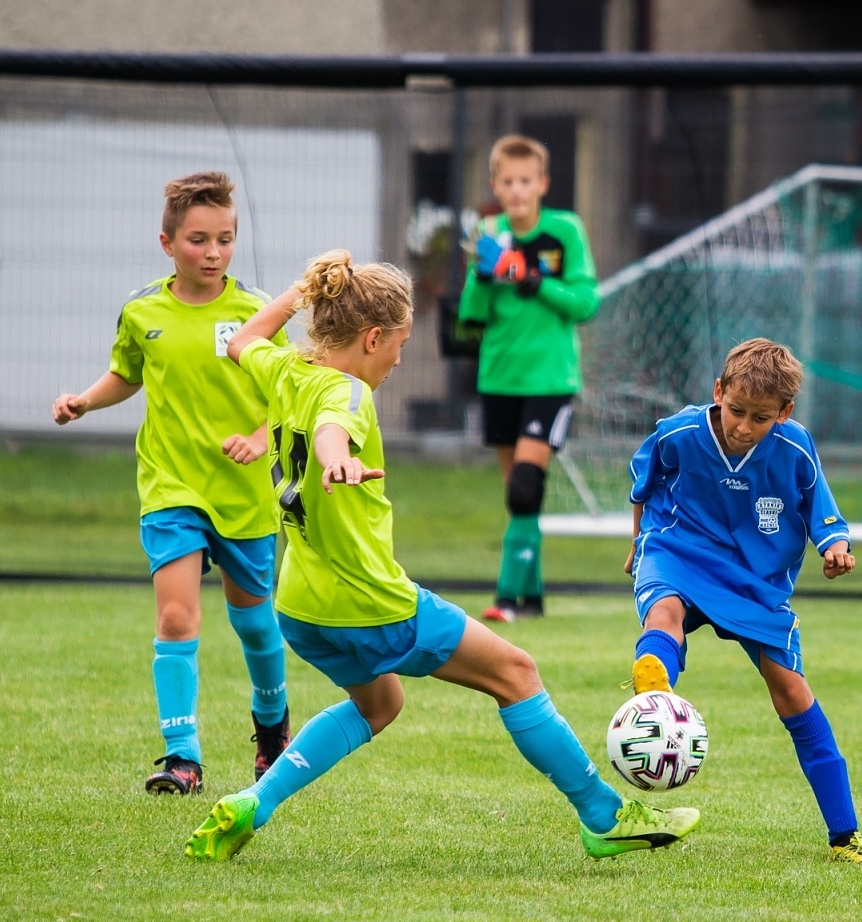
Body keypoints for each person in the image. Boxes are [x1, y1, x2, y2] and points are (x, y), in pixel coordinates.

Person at [184, 250, 698, 863]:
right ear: (372, 338)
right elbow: (331, 430)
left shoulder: (288, 369)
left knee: (380, 704)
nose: (399, 359)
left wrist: (303, 290)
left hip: (299, 607)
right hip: (370, 604)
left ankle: (254, 802)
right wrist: (336, 460)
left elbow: (243, 340)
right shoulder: (347, 391)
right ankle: (604, 816)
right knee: (516, 672)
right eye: (399, 344)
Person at [52, 172, 292, 797]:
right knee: (177, 616)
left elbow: (290, 395)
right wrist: (85, 401)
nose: (213, 253)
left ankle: (272, 729)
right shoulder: (142, 311)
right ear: (167, 243)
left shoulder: (257, 311)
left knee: (255, 624)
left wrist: (260, 438)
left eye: (225, 240)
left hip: (242, 493)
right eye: (198, 240)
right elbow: (126, 374)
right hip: (171, 488)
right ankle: (182, 757)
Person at [624, 338, 862, 866]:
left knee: (791, 690)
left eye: (760, 418)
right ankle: (655, 696)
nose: (743, 426)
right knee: (664, 614)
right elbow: (643, 488)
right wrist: (637, 544)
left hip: (754, 580)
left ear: (784, 413)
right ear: (718, 391)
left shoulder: (795, 448)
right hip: (680, 551)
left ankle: (845, 837)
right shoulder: (678, 433)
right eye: (736, 410)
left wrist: (835, 547)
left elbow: (823, 513)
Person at [457, 134, 600, 623]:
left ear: (543, 184)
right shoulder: (488, 232)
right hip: (500, 377)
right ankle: (533, 598)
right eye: (508, 182)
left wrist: (530, 278)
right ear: (495, 185)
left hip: (551, 380)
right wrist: (482, 275)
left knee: (524, 487)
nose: (517, 190)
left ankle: (504, 600)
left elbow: (586, 303)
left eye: (526, 181)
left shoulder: (565, 230)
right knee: (520, 497)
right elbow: (471, 317)